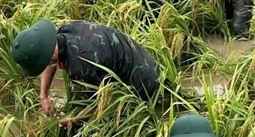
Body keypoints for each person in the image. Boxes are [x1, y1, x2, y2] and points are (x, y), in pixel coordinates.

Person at [11, 19, 160, 115]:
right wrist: (43, 96)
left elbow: (100, 104)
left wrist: (71, 121)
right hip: (140, 56)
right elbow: (50, 61)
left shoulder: (81, 65)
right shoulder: (66, 31)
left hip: (144, 81)